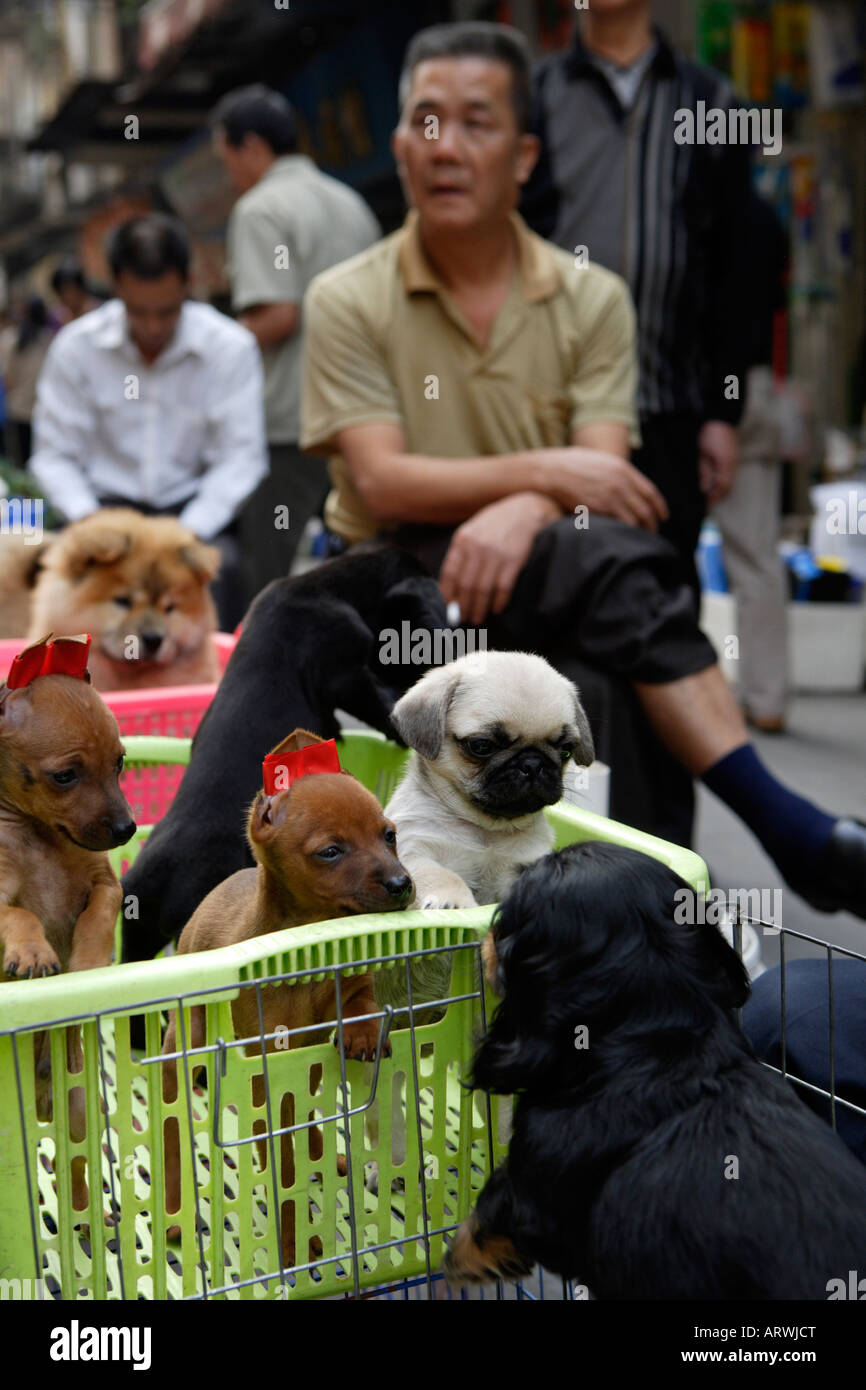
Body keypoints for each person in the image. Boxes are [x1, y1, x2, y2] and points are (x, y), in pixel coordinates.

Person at [299, 20, 866, 921]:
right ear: (400, 143)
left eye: (476, 122)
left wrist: (525, 505)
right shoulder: (345, 296)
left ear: (525, 155)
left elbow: (604, 472)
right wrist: (550, 475)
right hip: (404, 589)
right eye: (426, 121)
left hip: (546, 576)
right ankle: (777, 827)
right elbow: (383, 484)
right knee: (613, 568)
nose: (446, 147)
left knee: (616, 647)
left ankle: (649, 930)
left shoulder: (591, 295)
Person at [522, 0, 749, 596]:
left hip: (669, 400)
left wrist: (723, 414)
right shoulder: (535, 96)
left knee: (664, 596)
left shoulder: (711, 102)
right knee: (551, 588)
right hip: (549, 406)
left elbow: (734, 268)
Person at [29, 214, 267, 628]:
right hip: (102, 516)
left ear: (188, 283)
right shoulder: (75, 349)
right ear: (116, 285)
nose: (154, 327)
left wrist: (186, 533)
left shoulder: (230, 348)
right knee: (54, 584)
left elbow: (240, 458)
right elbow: (54, 456)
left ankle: (209, 691)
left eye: (167, 311)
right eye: (140, 312)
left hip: (191, 518)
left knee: (224, 570)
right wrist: (91, 524)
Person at [211, 84, 381, 599]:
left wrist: (211, 349)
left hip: (293, 424)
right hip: (364, 417)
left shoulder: (260, 208)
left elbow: (279, 315)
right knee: (357, 569)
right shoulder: (350, 202)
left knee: (272, 580)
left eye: (228, 161)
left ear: (253, 147)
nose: (230, 176)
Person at [713, 192, 790, 733]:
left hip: (706, 386)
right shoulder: (764, 217)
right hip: (754, 380)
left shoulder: (703, 211)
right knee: (757, 553)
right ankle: (766, 697)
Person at [3, 295, 54, 469]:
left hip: (18, 410)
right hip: (43, 410)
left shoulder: (12, 340)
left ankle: (29, 496)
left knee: (22, 462)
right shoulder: (48, 340)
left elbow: (8, 378)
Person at [50, 258, 101, 322]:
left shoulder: (100, 311)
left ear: (80, 289)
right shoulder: (60, 322)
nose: (66, 297)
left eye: (69, 292)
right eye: (61, 294)